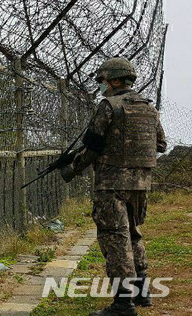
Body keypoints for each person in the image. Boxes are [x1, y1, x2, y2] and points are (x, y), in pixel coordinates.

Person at [61, 57, 167, 316]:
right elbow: (161, 145)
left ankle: (123, 303)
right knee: (132, 234)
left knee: (115, 239)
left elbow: (92, 148)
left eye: (104, 81)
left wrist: (71, 169)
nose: (102, 86)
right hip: (141, 184)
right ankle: (142, 292)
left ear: (116, 80)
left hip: (112, 185)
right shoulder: (149, 108)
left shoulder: (109, 106)